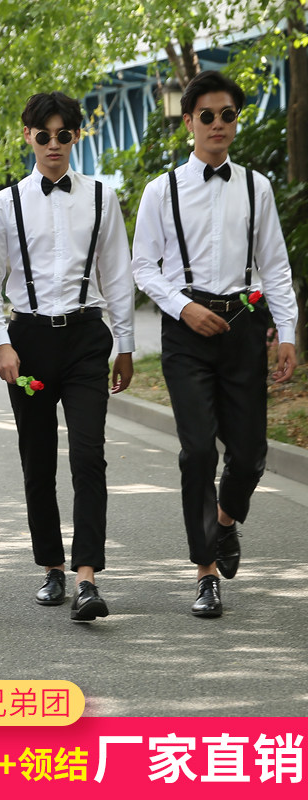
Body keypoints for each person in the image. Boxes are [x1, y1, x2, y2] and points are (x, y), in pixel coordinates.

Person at [132, 70, 298, 618]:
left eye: (228, 114)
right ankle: (205, 572)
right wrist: (183, 306)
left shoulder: (257, 187)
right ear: (189, 122)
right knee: (199, 451)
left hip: (243, 327)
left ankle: (225, 522)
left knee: (248, 455)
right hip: (187, 330)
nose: (218, 124)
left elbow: (276, 266)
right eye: (207, 115)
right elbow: (143, 266)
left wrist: (287, 333)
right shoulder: (161, 190)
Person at [0, 91, 134, 621]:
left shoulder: (101, 197)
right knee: (37, 459)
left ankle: (87, 577)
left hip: (87, 336)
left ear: (75, 137)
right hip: (29, 341)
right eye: (43, 135)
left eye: (62, 134)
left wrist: (126, 344)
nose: (52, 144)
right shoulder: (6, 203)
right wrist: (0, 341)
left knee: (89, 455)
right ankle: (52, 566)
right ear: (28, 137)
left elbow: (117, 273)